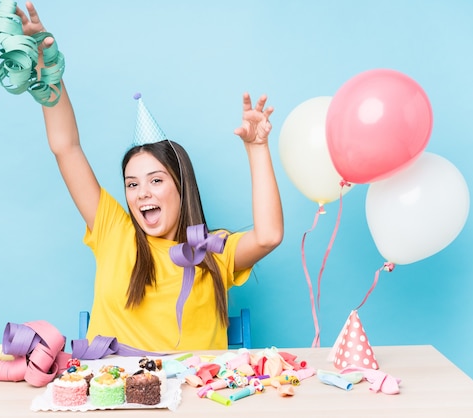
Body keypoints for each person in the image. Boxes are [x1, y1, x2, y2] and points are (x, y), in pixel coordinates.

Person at [16, 2, 283, 351]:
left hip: (195, 400)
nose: (142, 192)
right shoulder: (114, 231)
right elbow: (66, 147)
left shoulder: (212, 250)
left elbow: (269, 236)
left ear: (181, 186)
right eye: (132, 184)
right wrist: (47, 64)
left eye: (156, 180)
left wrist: (258, 148)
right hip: (116, 396)